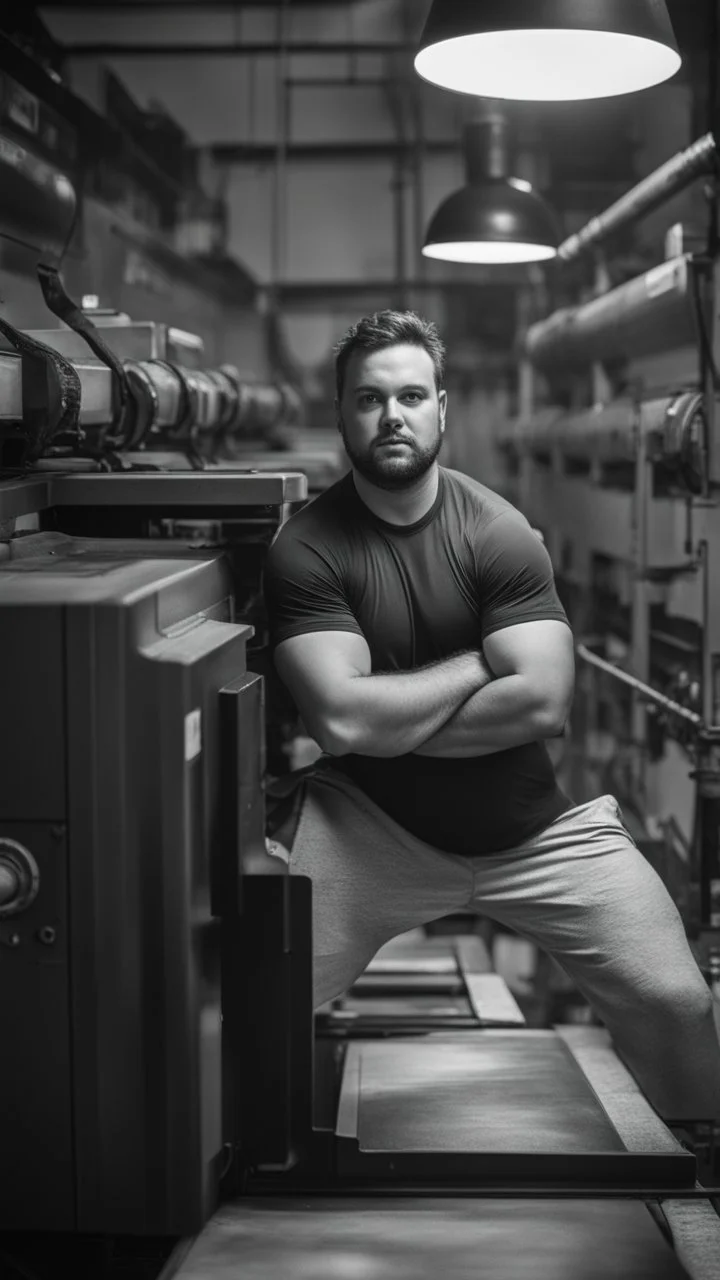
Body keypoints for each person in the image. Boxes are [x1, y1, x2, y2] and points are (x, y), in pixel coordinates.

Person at [262, 308, 720, 1122]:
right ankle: (226, 1175)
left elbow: (542, 700)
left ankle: (700, 1175)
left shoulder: (499, 531)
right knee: (245, 1007)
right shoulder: (307, 547)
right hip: (370, 826)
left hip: (534, 833)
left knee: (678, 1001)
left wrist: (388, 718)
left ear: (441, 404)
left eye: (410, 395)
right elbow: (341, 723)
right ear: (340, 412)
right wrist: (481, 662)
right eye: (369, 399)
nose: (391, 416)